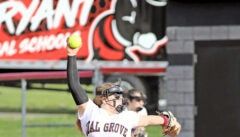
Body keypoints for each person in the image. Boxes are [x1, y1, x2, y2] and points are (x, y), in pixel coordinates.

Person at [66, 40, 181, 137]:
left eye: (121, 96)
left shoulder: (127, 116)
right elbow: (75, 86)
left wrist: (167, 121)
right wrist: (71, 54)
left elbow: (149, 120)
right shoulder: (91, 112)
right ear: (105, 99)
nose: (121, 99)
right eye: (116, 96)